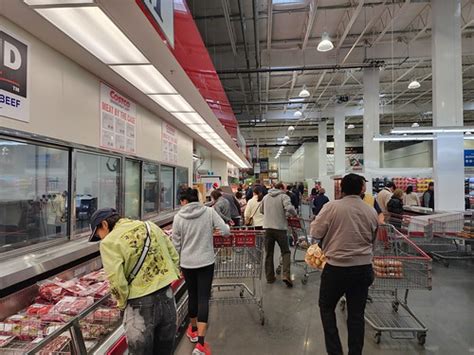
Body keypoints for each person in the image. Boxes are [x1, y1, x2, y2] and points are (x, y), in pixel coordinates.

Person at [89, 208, 180, 355]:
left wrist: (121, 304)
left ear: (104, 224)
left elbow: (117, 281)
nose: (100, 238)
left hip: (140, 306)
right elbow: (174, 256)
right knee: (165, 350)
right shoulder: (150, 226)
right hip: (167, 297)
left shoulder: (109, 242)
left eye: (98, 233)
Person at [310, 174, 378, 355]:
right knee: (356, 316)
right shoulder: (370, 211)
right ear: (362, 189)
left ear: (342, 188)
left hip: (336, 268)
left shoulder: (331, 207)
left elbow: (316, 232)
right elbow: (374, 241)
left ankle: (335, 351)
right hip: (362, 268)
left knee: (326, 307)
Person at [172, 188, 230, 355]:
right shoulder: (209, 212)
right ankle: (201, 344)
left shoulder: (178, 218)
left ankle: (193, 330)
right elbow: (226, 232)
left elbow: (176, 245)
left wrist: (176, 265)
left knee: (193, 295)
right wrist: (219, 229)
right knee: (204, 298)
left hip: (187, 263)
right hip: (206, 261)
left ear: (183, 201)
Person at [260, 182, 297, 287]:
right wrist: (294, 214)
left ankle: (270, 277)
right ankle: (285, 275)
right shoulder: (283, 196)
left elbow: (261, 210)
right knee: (285, 252)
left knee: (269, 253)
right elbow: (289, 208)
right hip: (280, 229)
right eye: (285, 188)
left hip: (267, 228)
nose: (286, 190)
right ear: (281, 188)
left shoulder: (266, 197)